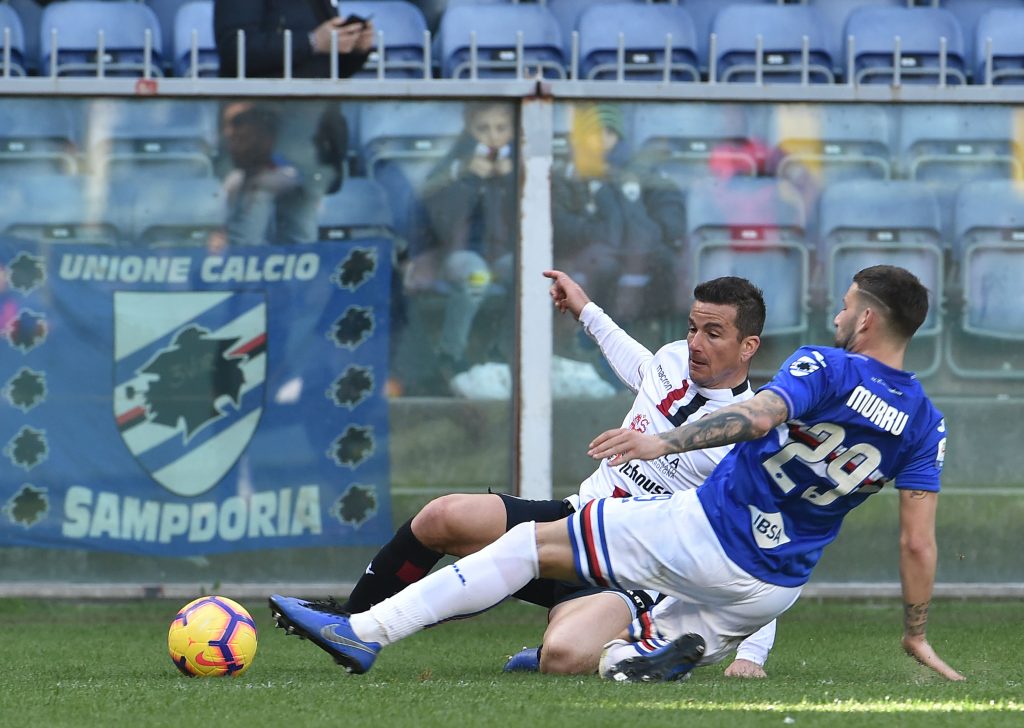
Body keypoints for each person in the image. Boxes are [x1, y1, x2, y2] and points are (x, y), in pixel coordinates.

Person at [270, 264, 964, 683]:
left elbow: (757, 418)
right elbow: (918, 545)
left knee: (524, 547)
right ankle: (640, 656)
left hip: (698, 536)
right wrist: (915, 630)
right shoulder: (927, 421)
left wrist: (664, 446)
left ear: (866, 319)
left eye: (846, 306)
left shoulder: (827, 365)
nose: (839, 314)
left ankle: (364, 633)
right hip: (771, 586)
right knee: (591, 643)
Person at [404, 102, 518, 393]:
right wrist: (466, 177)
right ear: (469, 127)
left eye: (501, 128)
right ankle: (452, 351)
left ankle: (506, 348)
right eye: (484, 129)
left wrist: (512, 178)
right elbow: (437, 215)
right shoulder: (455, 164)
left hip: (506, 254)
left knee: (528, 279)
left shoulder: (521, 163)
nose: (493, 137)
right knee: (475, 278)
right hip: (463, 253)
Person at [552, 103, 685, 326]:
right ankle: (591, 341)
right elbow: (560, 226)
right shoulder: (565, 175)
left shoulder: (644, 175)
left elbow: (667, 226)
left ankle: (653, 335)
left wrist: (626, 193)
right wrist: (599, 230)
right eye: (594, 132)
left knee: (668, 264)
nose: (603, 139)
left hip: (639, 251)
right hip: (589, 254)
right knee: (603, 263)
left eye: (609, 131)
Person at [213, 0, 374, 80]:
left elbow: (325, 66)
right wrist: (312, 42)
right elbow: (234, 49)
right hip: (264, 119)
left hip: (322, 121)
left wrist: (355, 49)